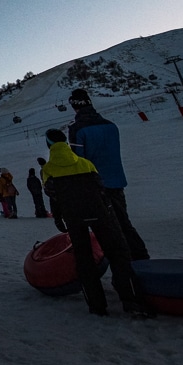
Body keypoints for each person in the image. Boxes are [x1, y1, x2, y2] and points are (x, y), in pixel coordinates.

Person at [42, 129, 153, 318]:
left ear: (49, 145)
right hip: (100, 214)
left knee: (84, 260)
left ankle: (97, 305)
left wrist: (59, 218)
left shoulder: (48, 169)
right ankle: (131, 300)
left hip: (74, 218)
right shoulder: (86, 163)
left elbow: (54, 196)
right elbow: (100, 189)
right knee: (118, 253)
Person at [68, 88, 149, 260]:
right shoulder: (111, 125)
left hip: (95, 185)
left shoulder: (77, 129)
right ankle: (140, 257)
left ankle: (125, 265)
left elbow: (78, 161)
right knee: (123, 222)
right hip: (117, 180)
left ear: (74, 106)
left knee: (108, 227)